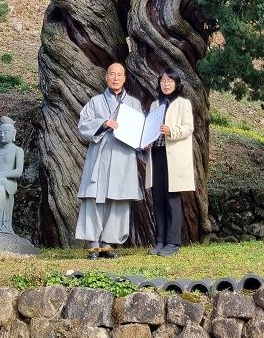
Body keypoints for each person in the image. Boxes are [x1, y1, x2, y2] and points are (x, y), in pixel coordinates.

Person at [76, 62, 143, 258]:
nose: (115, 78)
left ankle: (107, 244)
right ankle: (93, 244)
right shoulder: (95, 102)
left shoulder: (134, 104)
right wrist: (103, 123)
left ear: (124, 78)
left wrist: (143, 141)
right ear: (106, 77)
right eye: (111, 74)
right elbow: (83, 125)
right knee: (94, 199)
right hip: (100, 156)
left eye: (119, 75)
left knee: (118, 200)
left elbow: (140, 130)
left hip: (124, 157)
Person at [145, 67, 195, 256]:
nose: (166, 84)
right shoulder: (154, 104)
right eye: (163, 81)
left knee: (172, 198)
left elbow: (188, 128)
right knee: (158, 198)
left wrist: (171, 130)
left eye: (170, 81)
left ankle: (173, 242)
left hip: (173, 155)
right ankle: (160, 240)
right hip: (156, 153)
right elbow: (149, 128)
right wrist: (146, 141)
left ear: (176, 83)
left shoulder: (183, 104)